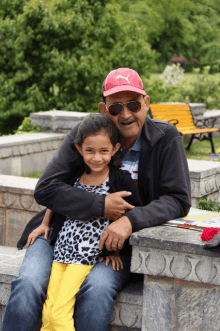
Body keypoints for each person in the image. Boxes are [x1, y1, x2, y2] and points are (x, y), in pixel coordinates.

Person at [2, 67, 191, 331]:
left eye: (134, 104)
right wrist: (101, 206)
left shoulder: (165, 138)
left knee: (96, 290)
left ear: (146, 103)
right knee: (29, 283)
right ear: (104, 109)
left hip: (113, 246)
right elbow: (46, 188)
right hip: (59, 233)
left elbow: (177, 198)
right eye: (116, 108)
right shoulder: (87, 134)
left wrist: (128, 221)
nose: (125, 114)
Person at [27, 114, 141, 331]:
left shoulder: (119, 179)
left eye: (103, 151)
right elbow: (56, 199)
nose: (96, 158)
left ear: (115, 149)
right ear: (79, 149)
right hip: (62, 250)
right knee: (49, 310)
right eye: (90, 151)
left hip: (86, 256)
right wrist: (45, 223)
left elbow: (130, 216)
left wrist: (114, 250)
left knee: (59, 312)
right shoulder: (74, 175)